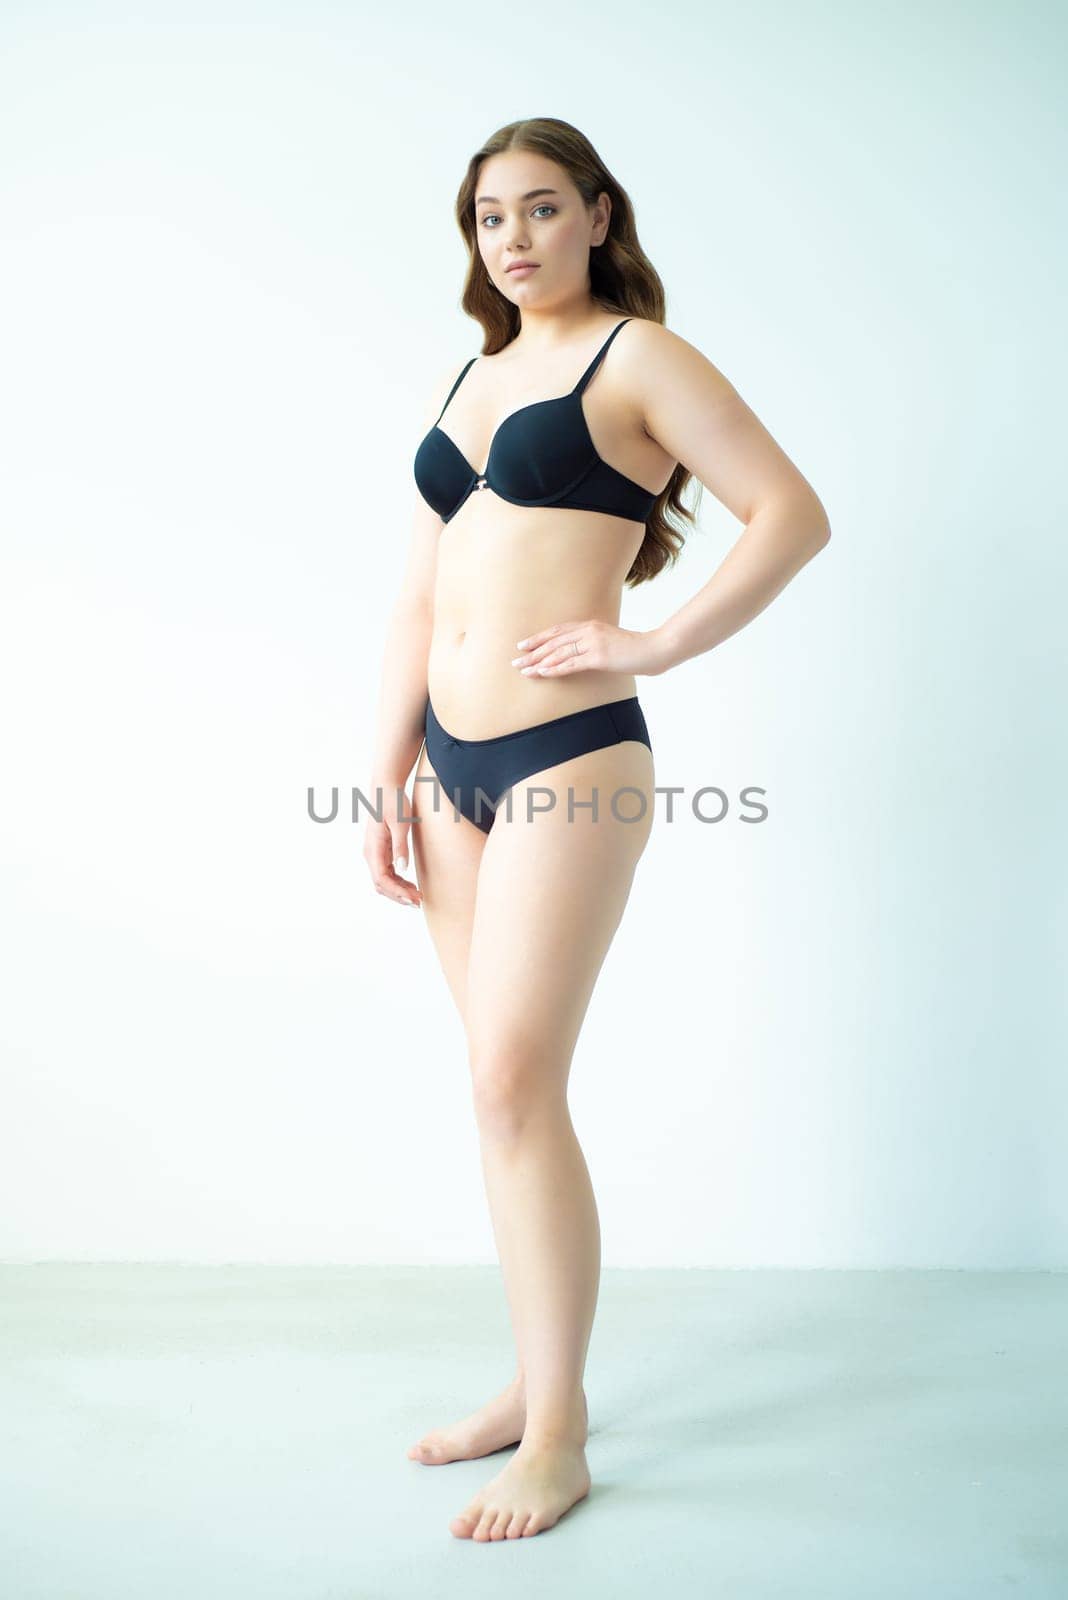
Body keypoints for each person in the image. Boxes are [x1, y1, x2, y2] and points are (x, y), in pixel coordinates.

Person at [363, 116, 831, 1542]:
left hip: (574, 753)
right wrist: (386, 767)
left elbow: (789, 513)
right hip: (449, 772)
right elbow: (418, 590)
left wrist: (656, 640)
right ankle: (535, 1381)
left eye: (542, 208)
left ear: (597, 216)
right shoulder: (477, 373)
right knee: (506, 1098)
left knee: (514, 1074)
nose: (513, 238)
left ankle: (557, 1435)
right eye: (490, 215)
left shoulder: (637, 359)